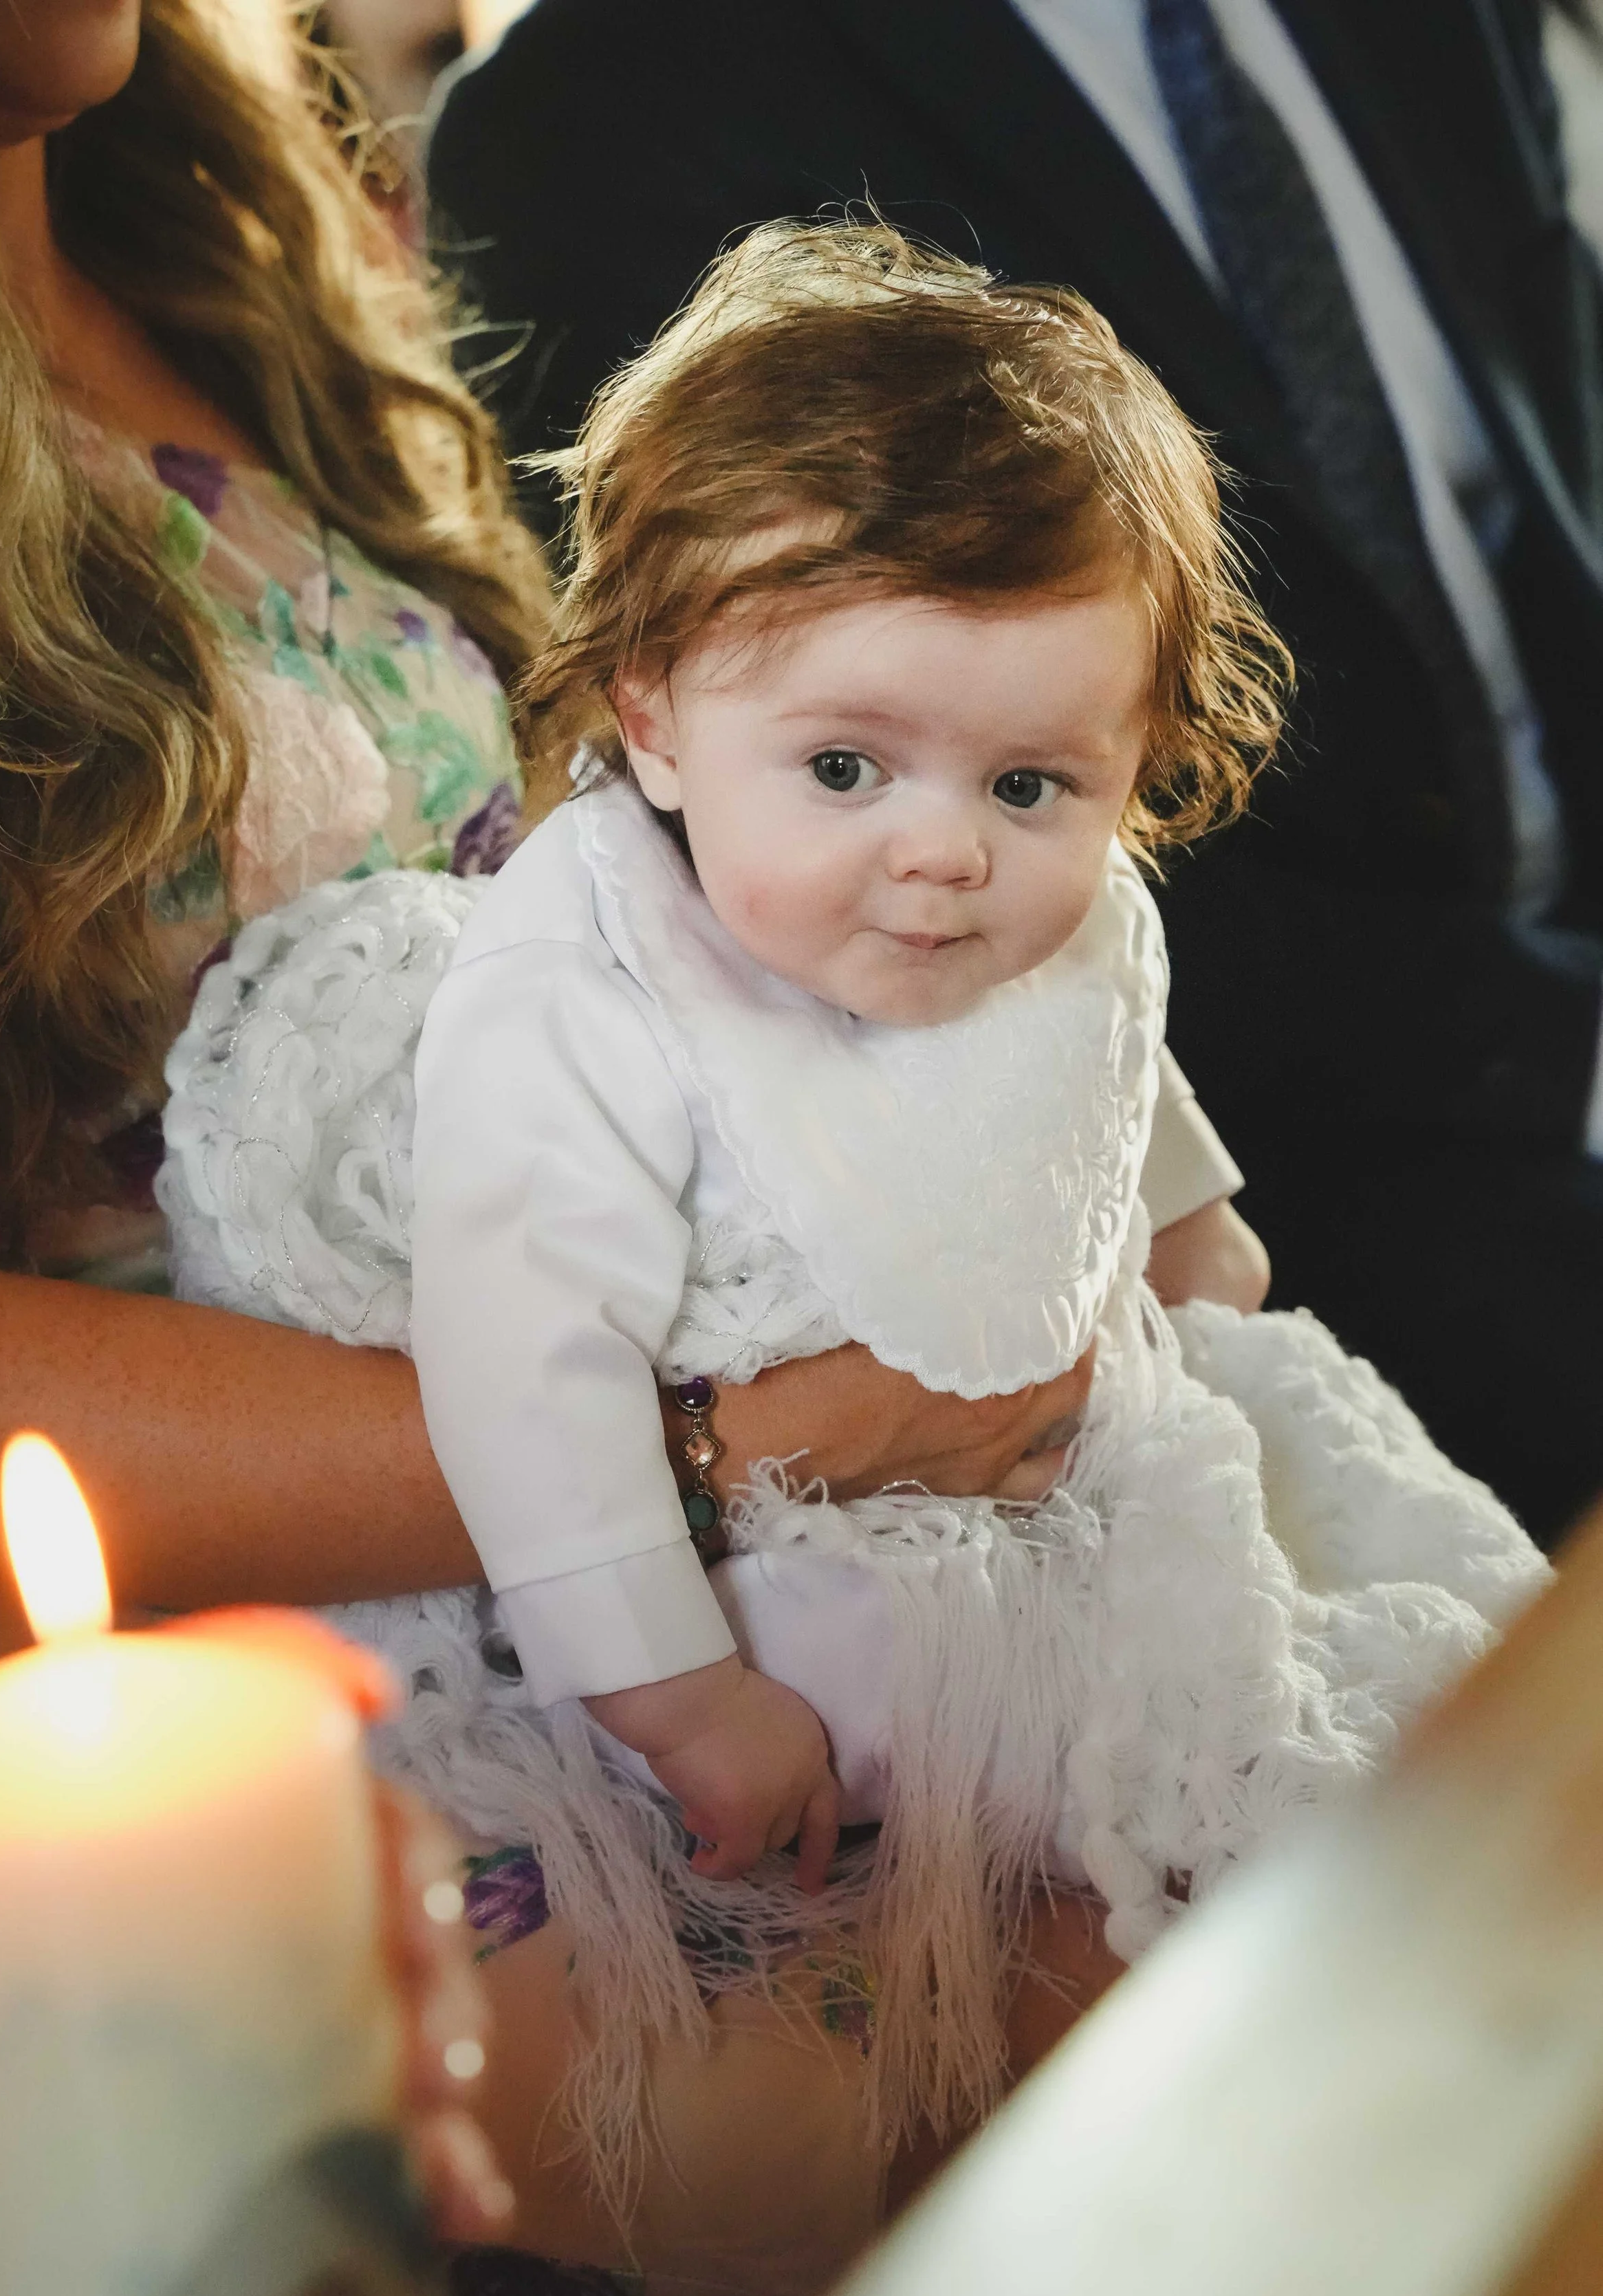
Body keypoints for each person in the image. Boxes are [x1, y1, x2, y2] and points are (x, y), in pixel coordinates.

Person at [0, 0, 1170, 2296]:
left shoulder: (227, 247)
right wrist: (716, 1464)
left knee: (1292, 1885)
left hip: (707, 1396)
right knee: (1053, 2099)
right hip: (303, 1624)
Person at [160, 223, 1540, 2209]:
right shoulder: (587, 978)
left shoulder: (1046, 898)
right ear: (647, 716)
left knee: (1416, 1795)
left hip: (1074, 1504)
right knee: (1130, 2029)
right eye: (840, 765)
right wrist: (676, 1688)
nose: (940, 856)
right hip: (762, 1617)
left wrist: (1186, 1253)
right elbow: (522, 1360)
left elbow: (1093, 1065)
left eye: (1036, 786)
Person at [427, 0, 1603, 1546]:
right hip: (1333, 1155)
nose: (939, 839)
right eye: (859, 766)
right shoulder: (620, 97)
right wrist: (1559, 1046)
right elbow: (853, 793)